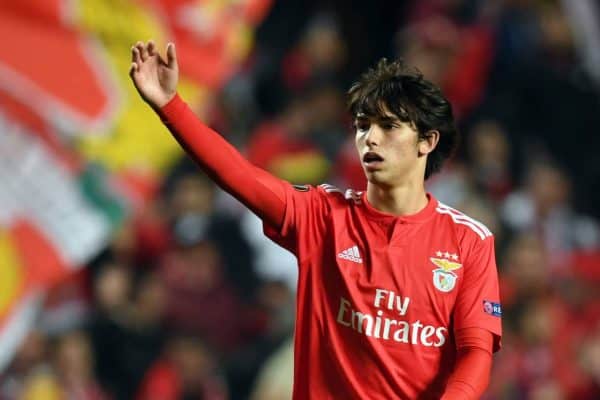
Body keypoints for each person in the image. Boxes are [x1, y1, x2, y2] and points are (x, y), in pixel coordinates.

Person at [129, 40, 502, 399]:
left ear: (427, 142)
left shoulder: (468, 241)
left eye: (388, 127)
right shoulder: (322, 217)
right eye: (363, 126)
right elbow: (239, 175)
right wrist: (171, 106)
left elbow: (476, 351)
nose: (370, 139)